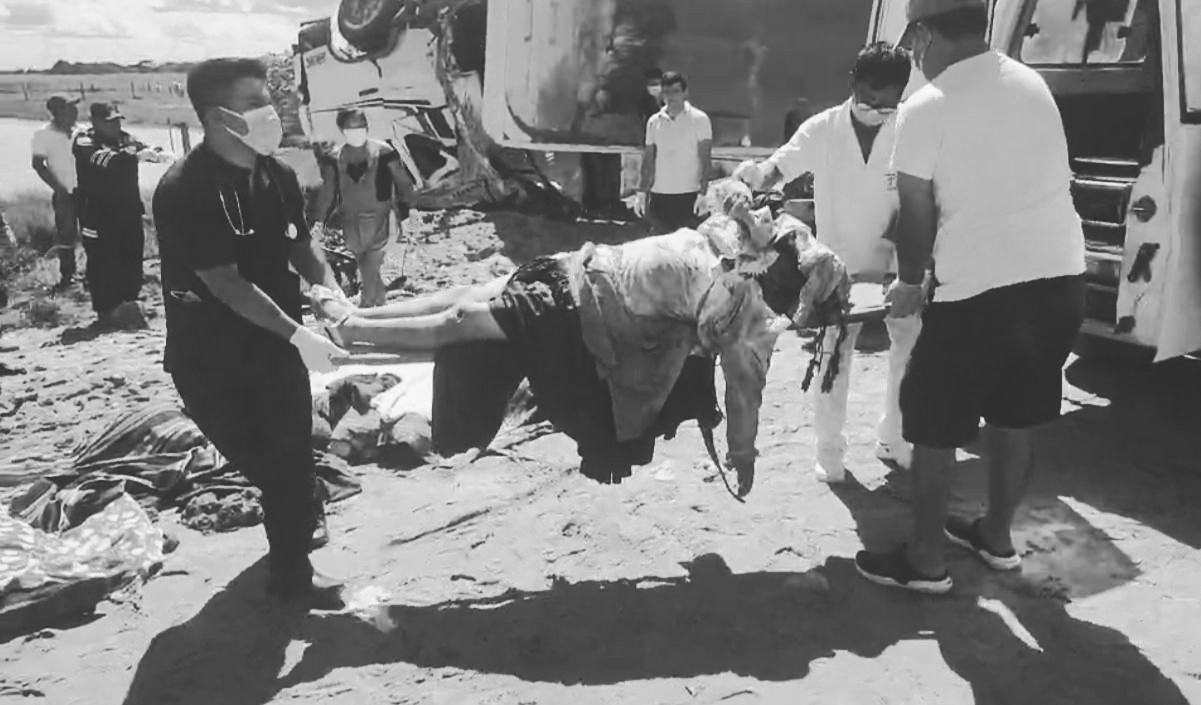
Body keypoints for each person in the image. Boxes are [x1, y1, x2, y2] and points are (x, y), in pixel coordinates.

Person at [310, 180, 850, 494]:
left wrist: (743, 454)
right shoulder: (737, 237)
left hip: (581, 311)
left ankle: (354, 331)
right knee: (464, 297)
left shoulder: (749, 321)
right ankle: (359, 317)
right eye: (789, 270)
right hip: (580, 268)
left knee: (464, 322)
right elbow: (731, 196)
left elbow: (744, 393)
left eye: (795, 287)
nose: (784, 283)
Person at [854, 0, 1086, 595]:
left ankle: (926, 562)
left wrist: (909, 284)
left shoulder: (927, 106)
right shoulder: (1032, 84)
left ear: (926, 35)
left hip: (981, 292)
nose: (915, 56)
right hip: (1060, 280)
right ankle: (996, 538)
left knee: (931, 423)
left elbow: (917, 212)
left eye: (914, 44)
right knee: (1014, 415)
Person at [152, 57, 352, 606]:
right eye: (255, 103)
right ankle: (297, 511)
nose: (271, 112)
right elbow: (226, 283)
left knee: (290, 460)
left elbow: (300, 244)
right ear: (219, 116)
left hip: (276, 349)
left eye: (269, 99)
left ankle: (292, 573)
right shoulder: (184, 189)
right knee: (262, 462)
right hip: (210, 359)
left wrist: (328, 290)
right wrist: (300, 336)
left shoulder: (277, 174)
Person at [735, 42, 915, 481]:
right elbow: (778, 168)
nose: (877, 110)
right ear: (853, 84)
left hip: (900, 265)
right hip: (838, 269)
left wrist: (908, 257)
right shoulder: (823, 129)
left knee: (909, 353)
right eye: (869, 99)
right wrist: (753, 178)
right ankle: (830, 450)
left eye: (888, 104)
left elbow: (925, 194)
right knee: (834, 356)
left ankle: (895, 436)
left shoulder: (912, 128)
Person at [73, 103, 168, 324]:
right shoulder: (84, 141)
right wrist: (136, 155)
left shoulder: (125, 138)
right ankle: (106, 310)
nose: (115, 125)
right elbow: (106, 160)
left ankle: (130, 304)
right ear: (95, 122)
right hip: (98, 215)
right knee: (103, 260)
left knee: (132, 256)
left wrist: (159, 153)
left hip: (128, 211)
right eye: (109, 121)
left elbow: (145, 147)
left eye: (117, 120)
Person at [311, 108, 415, 308]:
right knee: (366, 266)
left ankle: (368, 309)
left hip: (381, 219)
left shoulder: (384, 152)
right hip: (351, 223)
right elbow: (328, 193)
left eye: (360, 126)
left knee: (371, 265)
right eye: (351, 127)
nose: (357, 131)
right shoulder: (334, 158)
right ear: (342, 129)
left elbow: (403, 183)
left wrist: (411, 210)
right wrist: (319, 221)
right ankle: (379, 309)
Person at [634, 71, 713, 232]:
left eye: (676, 91)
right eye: (667, 92)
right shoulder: (654, 122)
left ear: (685, 93)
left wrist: (703, 193)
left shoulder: (700, 120)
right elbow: (648, 160)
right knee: (659, 243)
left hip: (689, 196)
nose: (671, 97)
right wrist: (641, 192)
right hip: (660, 196)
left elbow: (705, 159)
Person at [30, 95, 81, 291]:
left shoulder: (81, 131)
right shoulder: (43, 134)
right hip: (64, 192)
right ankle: (68, 275)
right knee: (66, 233)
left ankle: (95, 271)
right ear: (57, 112)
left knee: (92, 231)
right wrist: (59, 189)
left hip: (85, 190)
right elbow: (38, 164)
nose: (75, 112)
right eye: (70, 108)